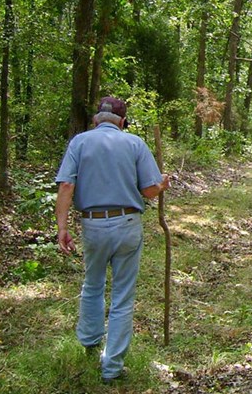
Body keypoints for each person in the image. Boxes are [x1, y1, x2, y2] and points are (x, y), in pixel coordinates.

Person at [55, 96, 170, 384]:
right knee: (122, 295)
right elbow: (149, 191)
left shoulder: (79, 142)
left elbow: (67, 184)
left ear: (96, 119)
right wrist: (162, 184)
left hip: (92, 224)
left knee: (92, 284)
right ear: (122, 121)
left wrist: (62, 227)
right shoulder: (134, 143)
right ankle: (112, 366)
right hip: (127, 223)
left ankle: (91, 341)